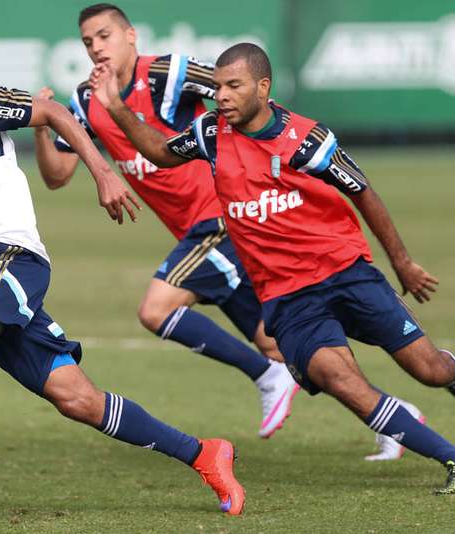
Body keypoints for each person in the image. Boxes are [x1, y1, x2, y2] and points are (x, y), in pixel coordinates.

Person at [0, 32, 246, 523]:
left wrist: (102, 172)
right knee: (77, 398)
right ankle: (206, 454)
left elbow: (54, 112)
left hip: (8, 255)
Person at [90, 42, 455, 494]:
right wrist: (115, 107)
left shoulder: (307, 139)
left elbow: (363, 191)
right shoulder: (210, 134)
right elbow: (160, 151)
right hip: (288, 298)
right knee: (340, 379)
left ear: (263, 87)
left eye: (234, 86)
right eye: (217, 88)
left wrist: (402, 262)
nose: (223, 97)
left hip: (346, 272)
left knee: (428, 368)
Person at [34, 2, 298, 439]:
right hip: (198, 235)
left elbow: (245, 98)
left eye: (105, 36)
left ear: (131, 35)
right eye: (87, 42)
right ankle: (390, 415)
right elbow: (57, 176)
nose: (97, 47)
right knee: (279, 342)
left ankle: (266, 376)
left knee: (156, 309)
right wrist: (43, 127)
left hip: (224, 220)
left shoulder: (169, 73)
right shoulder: (84, 100)